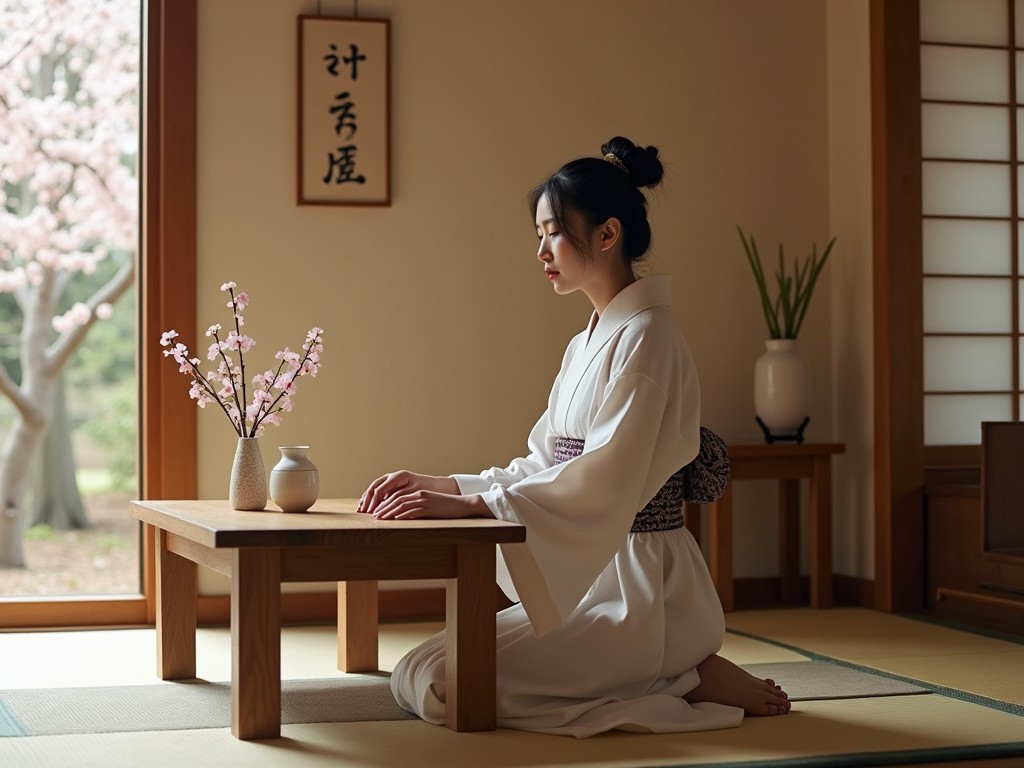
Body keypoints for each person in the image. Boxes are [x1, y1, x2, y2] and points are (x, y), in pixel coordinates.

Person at [357, 136, 791, 737]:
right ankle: (673, 673)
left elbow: (603, 476)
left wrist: (473, 506)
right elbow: (543, 463)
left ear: (607, 235)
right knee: (418, 670)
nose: (541, 251)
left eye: (554, 233)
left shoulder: (650, 337)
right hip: (589, 573)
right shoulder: (585, 342)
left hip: (639, 589)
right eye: (538, 235)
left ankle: (682, 672)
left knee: (444, 688)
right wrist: (446, 484)